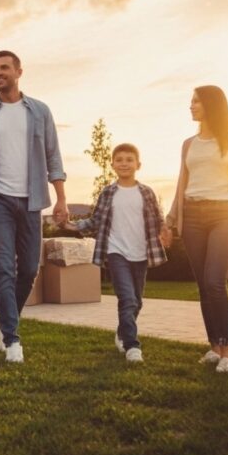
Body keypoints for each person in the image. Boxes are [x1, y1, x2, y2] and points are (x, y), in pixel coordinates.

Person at [0, 50, 67, 363]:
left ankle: (5, 319)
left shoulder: (39, 111)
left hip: (32, 200)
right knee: (4, 270)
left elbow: (53, 156)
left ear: (19, 72)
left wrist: (61, 198)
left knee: (29, 270)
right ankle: (12, 339)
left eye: (4, 68)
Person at [164, 85, 228, 374]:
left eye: (196, 101)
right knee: (203, 285)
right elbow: (182, 184)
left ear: (212, 105)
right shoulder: (188, 144)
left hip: (225, 215)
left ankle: (227, 351)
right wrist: (170, 219)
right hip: (192, 216)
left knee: (215, 281)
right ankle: (214, 348)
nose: (191, 106)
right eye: (191, 101)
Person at [60, 143, 170, 364]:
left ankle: (122, 332)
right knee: (127, 299)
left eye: (129, 160)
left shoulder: (146, 192)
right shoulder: (108, 193)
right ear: (112, 165)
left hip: (140, 253)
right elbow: (96, 220)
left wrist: (165, 230)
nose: (124, 163)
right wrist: (72, 225)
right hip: (115, 251)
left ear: (138, 165)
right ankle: (132, 346)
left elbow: (158, 218)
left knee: (136, 302)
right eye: (119, 160)